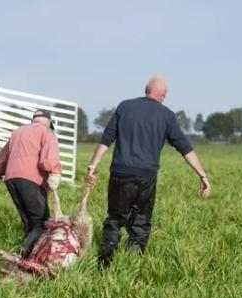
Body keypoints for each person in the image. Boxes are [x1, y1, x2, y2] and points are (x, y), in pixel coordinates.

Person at [85, 75, 211, 267]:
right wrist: (202, 175)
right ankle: (131, 266)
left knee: (115, 219)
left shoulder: (125, 107)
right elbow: (185, 147)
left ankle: (105, 263)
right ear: (164, 95)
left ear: (146, 89)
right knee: (140, 223)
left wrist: (92, 167)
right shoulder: (167, 115)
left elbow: (107, 138)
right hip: (146, 177)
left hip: (121, 174)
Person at [0, 110, 62, 258]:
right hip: (31, 179)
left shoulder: (17, 132)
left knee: (29, 222)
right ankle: (22, 255)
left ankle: (27, 257)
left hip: (11, 179)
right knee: (41, 223)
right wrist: (55, 173)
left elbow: (1, 158)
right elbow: (47, 161)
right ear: (49, 122)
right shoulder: (48, 133)